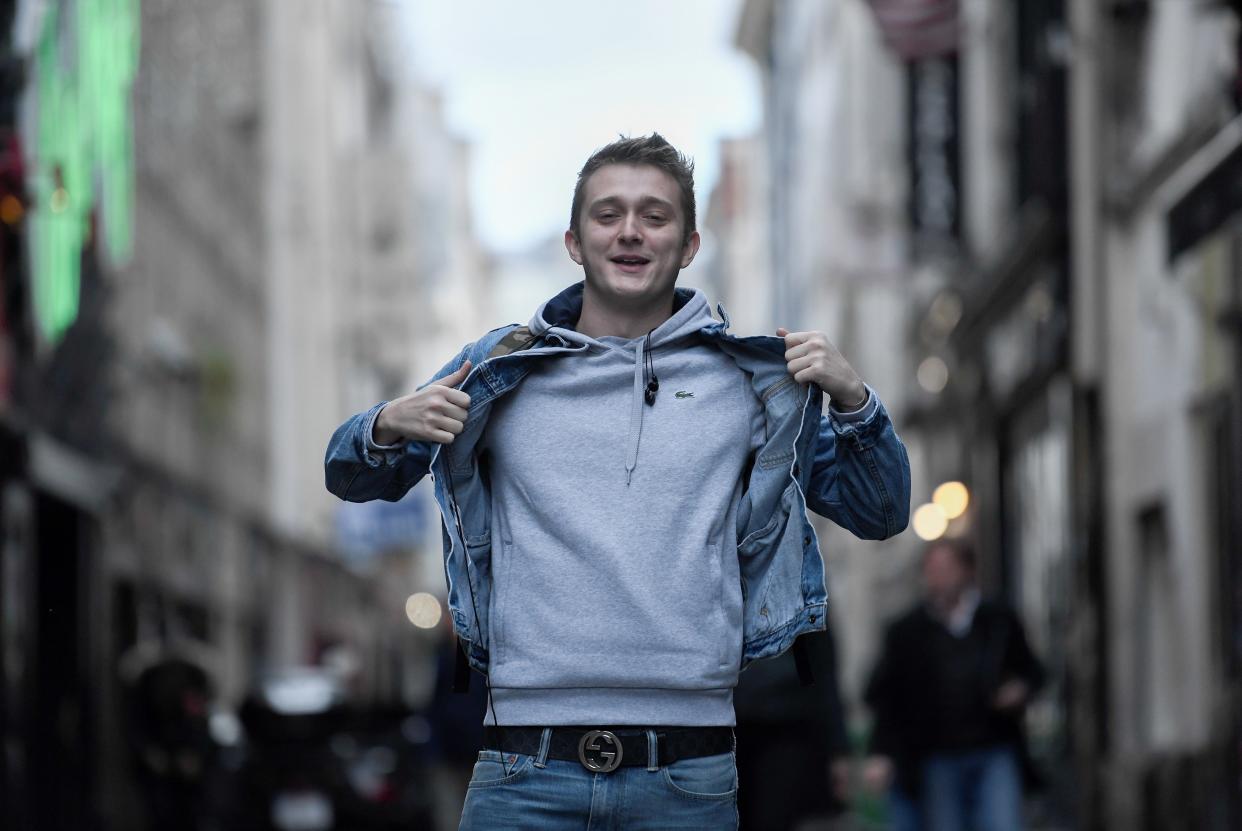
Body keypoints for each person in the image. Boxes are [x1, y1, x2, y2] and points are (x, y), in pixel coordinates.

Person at [325, 133, 911, 830]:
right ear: (574, 241)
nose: (630, 230)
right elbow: (351, 477)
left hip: (687, 775)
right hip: (523, 771)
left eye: (654, 215)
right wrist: (389, 421)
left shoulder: (750, 384)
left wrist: (855, 401)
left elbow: (881, 510)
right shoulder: (498, 371)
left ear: (690, 245)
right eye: (608, 214)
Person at [862, 538, 1045, 831]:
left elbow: (1033, 671)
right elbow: (886, 696)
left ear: (967, 570)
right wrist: (881, 752)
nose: (939, 578)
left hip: (993, 748)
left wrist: (1019, 690)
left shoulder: (997, 620)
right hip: (937, 755)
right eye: (932, 570)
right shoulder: (907, 631)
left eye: (946, 568)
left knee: (1003, 822)